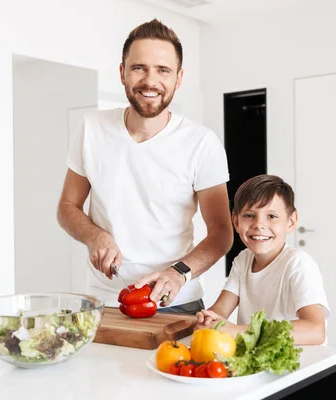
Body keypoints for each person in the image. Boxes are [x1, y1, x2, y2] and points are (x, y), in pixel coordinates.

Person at [57, 19, 233, 314]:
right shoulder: (92, 128)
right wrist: (94, 235)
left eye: (163, 70)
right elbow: (67, 206)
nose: (150, 81)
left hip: (177, 302)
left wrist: (179, 272)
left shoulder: (202, 142)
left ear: (178, 78)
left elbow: (221, 232)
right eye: (139, 67)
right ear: (123, 73)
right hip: (105, 302)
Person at [195, 175, 330, 345]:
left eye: (272, 216)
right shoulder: (243, 260)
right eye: (249, 215)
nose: (259, 224)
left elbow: (315, 330)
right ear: (236, 221)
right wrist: (209, 319)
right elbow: (221, 309)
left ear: (291, 221)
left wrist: (237, 331)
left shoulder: (298, 264)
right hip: (258, 362)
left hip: (303, 364)